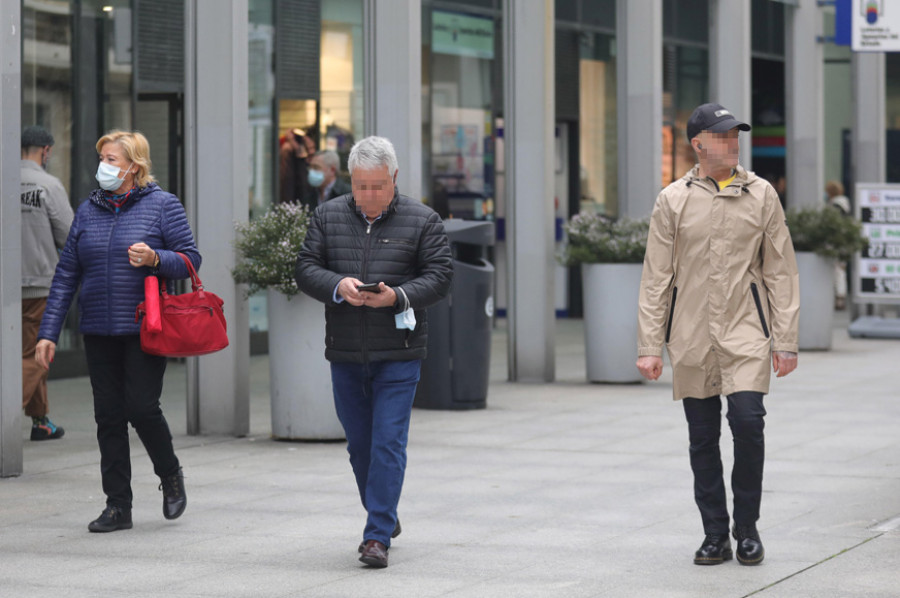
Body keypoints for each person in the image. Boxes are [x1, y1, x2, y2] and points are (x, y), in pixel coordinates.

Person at [636, 103, 800, 567]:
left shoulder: (762, 194)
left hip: (746, 329)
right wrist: (650, 347)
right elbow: (656, 279)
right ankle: (715, 535)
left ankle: (746, 528)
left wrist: (785, 340)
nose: (733, 142)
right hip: (690, 334)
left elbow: (781, 271)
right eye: (723, 135)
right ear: (699, 144)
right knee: (702, 436)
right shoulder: (672, 199)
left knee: (748, 423)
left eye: (736, 134)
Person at [295, 136, 453, 568]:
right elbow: (305, 268)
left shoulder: (423, 220)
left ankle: (376, 535)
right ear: (350, 180)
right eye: (361, 185)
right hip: (346, 351)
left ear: (394, 179)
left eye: (378, 186)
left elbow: (440, 277)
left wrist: (398, 296)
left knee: (387, 443)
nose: (368, 195)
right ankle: (385, 511)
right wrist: (337, 286)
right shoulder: (327, 215)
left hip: (399, 351)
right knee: (359, 446)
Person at [35, 130, 199, 533]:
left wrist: (156, 257)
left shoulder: (163, 205)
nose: (104, 167)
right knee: (108, 416)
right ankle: (117, 506)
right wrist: (49, 332)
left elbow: (191, 259)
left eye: (112, 159)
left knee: (142, 407)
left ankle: (170, 473)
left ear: (134, 167)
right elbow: (66, 275)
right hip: (98, 329)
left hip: (145, 327)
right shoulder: (87, 212)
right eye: (103, 158)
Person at [20, 125, 74, 441]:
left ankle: (40, 421)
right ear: (46, 151)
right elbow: (69, 236)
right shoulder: (49, 185)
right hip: (39, 285)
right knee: (36, 354)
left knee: (26, 352)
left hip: (6, 287)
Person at [825, 180, 852, 310]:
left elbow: (833, 227)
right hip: (844, 244)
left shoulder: (835, 207)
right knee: (840, 270)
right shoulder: (845, 206)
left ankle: (839, 297)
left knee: (837, 271)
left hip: (836, 244)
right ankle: (840, 296)